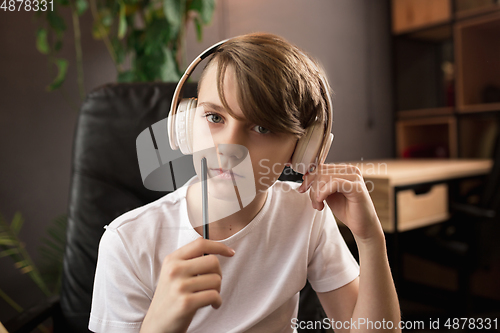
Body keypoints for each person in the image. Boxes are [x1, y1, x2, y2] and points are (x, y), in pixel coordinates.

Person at [89, 33, 400, 333]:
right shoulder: (128, 242)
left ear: (304, 148)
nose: (229, 148)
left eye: (262, 127)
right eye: (214, 117)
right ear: (186, 123)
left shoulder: (308, 214)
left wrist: (371, 240)